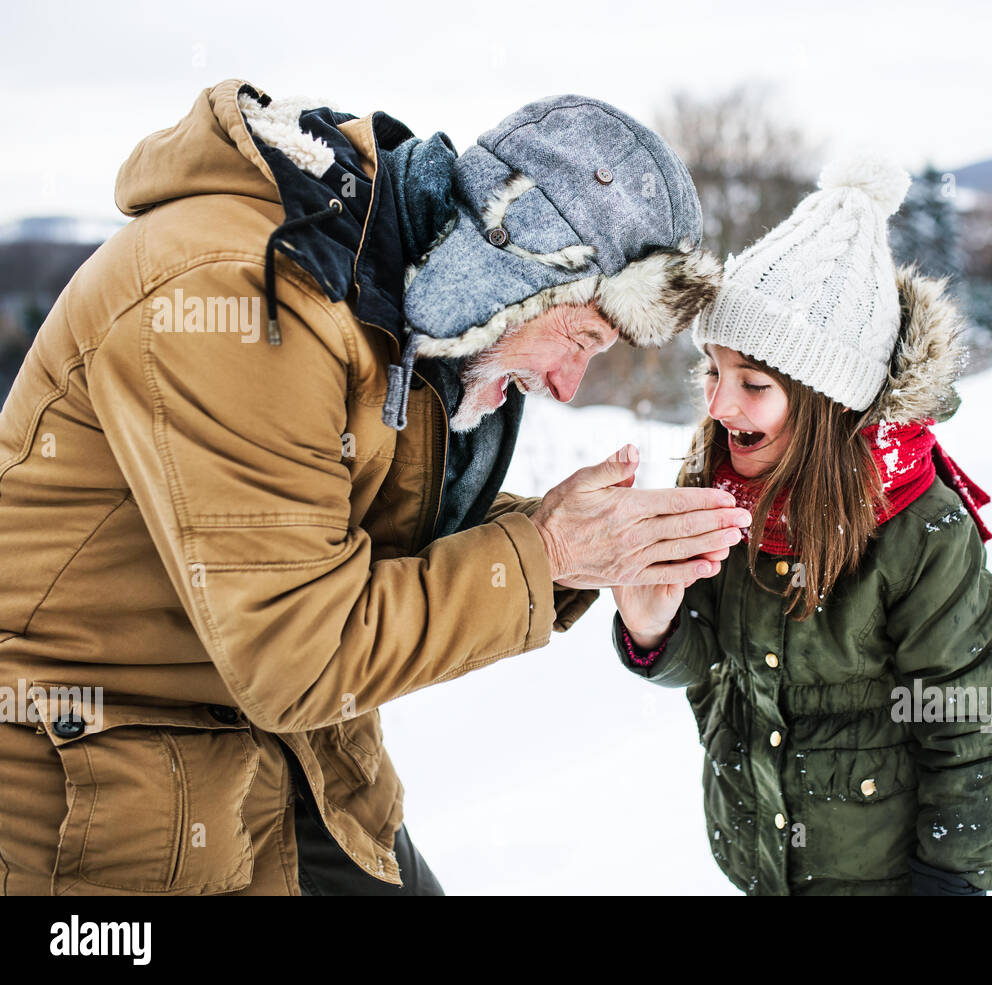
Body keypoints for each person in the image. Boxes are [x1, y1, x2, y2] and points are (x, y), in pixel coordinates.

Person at [0, 80, 749, 896]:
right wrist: (550, 552)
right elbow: (299, 652)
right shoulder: (247, 297)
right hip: (101, 775)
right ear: (516, 272)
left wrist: (583, 549)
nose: (569, 386)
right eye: (582, 338)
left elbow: (361, 529)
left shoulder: (385, 292)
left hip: (279, 746)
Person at [609, 154, 992, 896]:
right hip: (760, 861)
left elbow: (964, 729)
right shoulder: (713, 485)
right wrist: (654, 633)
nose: (719, 404)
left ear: (828, 399)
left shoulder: (919, 529)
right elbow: (713, 672)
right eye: (713, 371)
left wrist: (948, 884)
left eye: (754, 384)